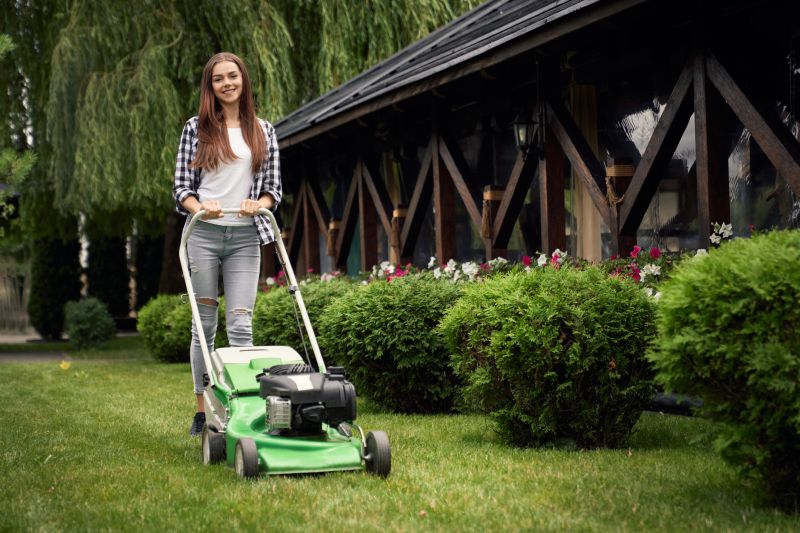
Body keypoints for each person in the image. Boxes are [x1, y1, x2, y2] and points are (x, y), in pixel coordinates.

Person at [173, 52, 281, 437]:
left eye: (232, 76)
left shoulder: (263, 130)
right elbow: (181, 188)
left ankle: (240, 407)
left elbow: (273, 189)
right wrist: (201, 208)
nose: (227, 84)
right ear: (211, 86)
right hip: (203, 235)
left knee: (240, 324)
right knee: (203, 326)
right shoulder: (195, 128)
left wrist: (258, 204)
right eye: (218, 79)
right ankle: (202, 411)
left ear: (243, 79)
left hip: (245, 237)